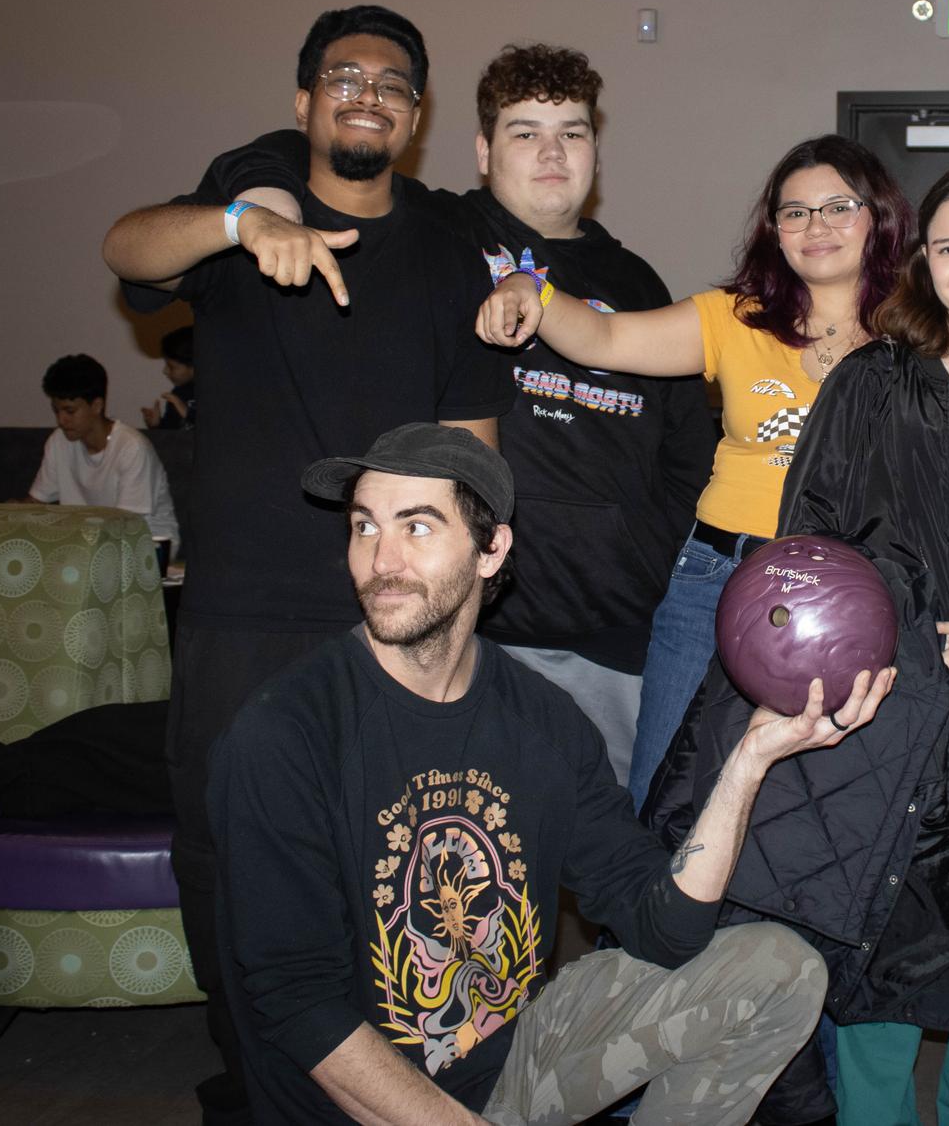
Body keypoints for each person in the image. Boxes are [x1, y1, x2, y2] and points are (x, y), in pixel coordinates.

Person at [209, 422, 891, 1124]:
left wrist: (750, 763)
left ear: (491, 548)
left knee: (779, 969)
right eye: (364, 526)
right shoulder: (284, 735)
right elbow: (296, 1001)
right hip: (367, 1106)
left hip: (511, 1071)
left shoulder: (544, 723)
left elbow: (664, 930)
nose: (381, 559)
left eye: (417, 527)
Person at [102, 4, 511, 1124]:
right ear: (303, 102)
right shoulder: (236, 224)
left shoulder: (444, 245)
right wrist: (239, 220)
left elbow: (472, 452)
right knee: (227, 870)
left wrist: (458, 619)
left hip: (388, 625)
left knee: (389, 880)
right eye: (343, 76)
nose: (366, 93)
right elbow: (126, 250)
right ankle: (258, 1086)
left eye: (391, 82)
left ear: (416, 116)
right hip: (240, 619)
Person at [645, 161, 949, 1126]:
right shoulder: (876, 380)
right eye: (947, 246)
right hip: (881, 703)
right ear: (921, 263)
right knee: (875, 937)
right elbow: (812, 536)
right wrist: (889, 654)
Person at [189, 43, 717, 786]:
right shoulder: (439, 236)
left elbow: (690, 455)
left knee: (614, 872)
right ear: (481, 150)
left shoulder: (636, 279)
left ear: (598, 149)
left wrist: (648, 561)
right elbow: (297, 149)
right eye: (524, 132)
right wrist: (268, 198)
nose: (551, 152)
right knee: (469, 870)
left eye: (572, 132)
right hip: (477, 634)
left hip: (619, 640)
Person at [477, 134, 913, 807]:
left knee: (816, 812)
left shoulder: (922, 340)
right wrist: (530, 286)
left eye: (837, 207)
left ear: (877, 215)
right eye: (794, 212)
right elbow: (608, 337)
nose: (815, 226)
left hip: (849, 596)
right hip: (716, 579)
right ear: (775, 230)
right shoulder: (733, 319)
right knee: (663, 791)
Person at [26, 352, 180, 550]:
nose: (61, 420)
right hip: (88, 545)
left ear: (97, 405)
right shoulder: (58, 441)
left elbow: (127, 525)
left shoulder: (131, 447)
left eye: (70, 411)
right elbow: (36, 503)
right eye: (56, 411)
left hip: (147, 547)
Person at [143, 324, 198, 429]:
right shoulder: (178, 393)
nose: (165, 371)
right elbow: (170, 433)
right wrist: (157, 425)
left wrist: (188, 413)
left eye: (172, 367)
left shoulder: (213, 392)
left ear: (193, 367)